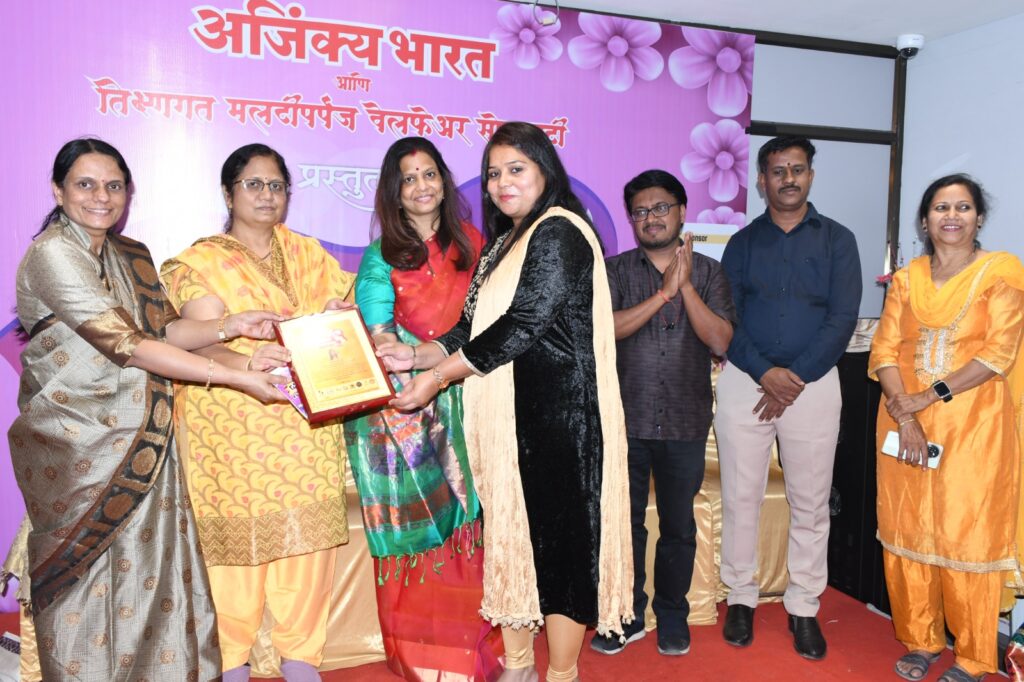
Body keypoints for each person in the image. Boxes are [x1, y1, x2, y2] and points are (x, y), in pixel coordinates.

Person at [6, 138, 284, 681]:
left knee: (150, 571)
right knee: (86, 585)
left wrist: (230, 325)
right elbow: (128, 345)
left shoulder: (132, 254)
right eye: (86, 184)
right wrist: (234, 376)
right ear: (58, 191)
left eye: (114, 186)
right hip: (77, 444)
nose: (101, 197)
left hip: (144, 438)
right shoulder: (52, 254)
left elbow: (166, 331)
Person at [377, 122, 633, 682]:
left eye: (516, 169)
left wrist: (438, 377)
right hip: (511, 423)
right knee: (514, 544)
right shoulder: (501, 244)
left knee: (561, 555)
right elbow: (469, 328)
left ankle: (560, 673)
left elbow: (522, 324)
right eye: (493, 173)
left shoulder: (559, 231)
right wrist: (414, 356)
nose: (501, 183)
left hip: (561, 421)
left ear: (545, 170)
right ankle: (518, 667)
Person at [160, 143, 356, 682]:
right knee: (234, 551)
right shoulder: (199, 262)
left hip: (306, 421)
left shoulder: (308, 253)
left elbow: (336, 316)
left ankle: (301, 658)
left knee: (306, 542)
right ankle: (230, 662)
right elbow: (199, 339)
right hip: (231, 421)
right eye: (253, 184)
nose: (266, 195)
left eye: (276, 185)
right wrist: (246, 364)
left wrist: (337, 317)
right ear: (228, 194)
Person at [344, 137, 502, 680]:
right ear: (394, 191)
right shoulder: (380, 256)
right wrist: (405, 359)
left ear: (444, 180)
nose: (420, 186)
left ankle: (471, 651)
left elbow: (493, 319)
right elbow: (380, 334)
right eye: (408, 178)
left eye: (429, 173)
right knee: (422, 532)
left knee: (472, 526)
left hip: (469, 396)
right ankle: (425, 659)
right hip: (405, 410)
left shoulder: (474, 244)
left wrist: (448, 368)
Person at [869, 174, 1024, 682]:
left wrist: (928, 396)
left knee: (967, 533)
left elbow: (999, 353)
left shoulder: (1001, 273)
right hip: (904, 420)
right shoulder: (908, 278)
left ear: (979, 218)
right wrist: (906, 413)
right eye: (940, 208)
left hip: (975, 424)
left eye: (962, 207)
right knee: (907, 525)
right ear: (924, 220)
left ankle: (975, 656)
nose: (951, 216)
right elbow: (884, 349)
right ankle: (921, 639)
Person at [715, 135, 861, 660]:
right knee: (741, 496)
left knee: (811, 502)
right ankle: (741, 596)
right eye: (778, 171)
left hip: (814, 385)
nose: (789, 179)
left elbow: (842, 318)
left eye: (797, 170)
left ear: (810, 176)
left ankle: (803, 605)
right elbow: (727, 317)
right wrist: (765, 373)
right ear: (762, 180)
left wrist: (793, 377)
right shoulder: (742, 244)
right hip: (745, 380)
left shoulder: (838, 240)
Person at [591, 170, 734, 657]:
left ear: (682, 211)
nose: (650, 218)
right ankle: (626, 615)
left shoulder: (709, 272)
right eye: (640, 211)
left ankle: (672, 614)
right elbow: (603, 331)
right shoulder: (613, 271)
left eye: (660, 208)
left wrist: (685, 285)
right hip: (624, 420)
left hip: (685, 420)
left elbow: (721, 341)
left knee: (678, 526)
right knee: (624, 525)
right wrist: (662, 295)